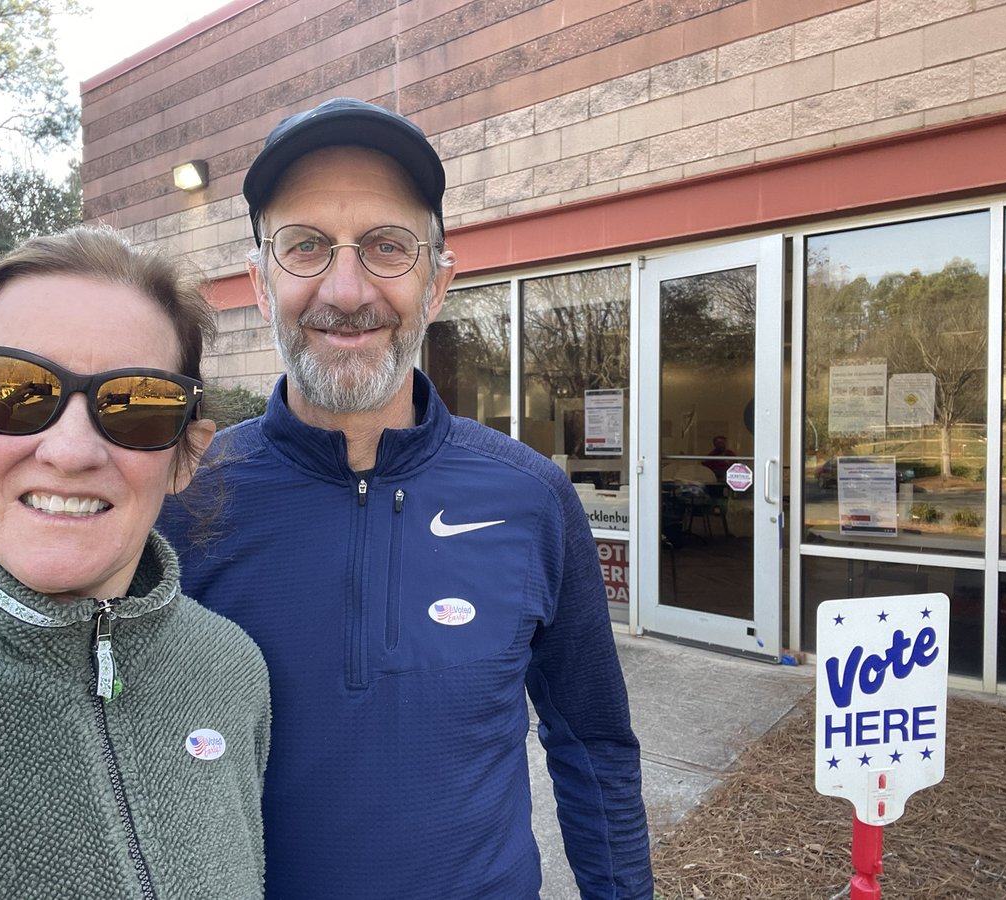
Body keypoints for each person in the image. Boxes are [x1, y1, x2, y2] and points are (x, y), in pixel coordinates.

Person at [159, 98, 653, 898]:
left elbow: (592, 741)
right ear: (258, 283)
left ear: (438, 284)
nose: (347, 289)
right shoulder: (182, 499)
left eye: (388, 247)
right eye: (306, 246)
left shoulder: (532, 498)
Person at [0, 227, 271, 898]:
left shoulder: (230, 670)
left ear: (187, 453)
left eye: (138, 405)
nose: (70, 451)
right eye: (15, 392)